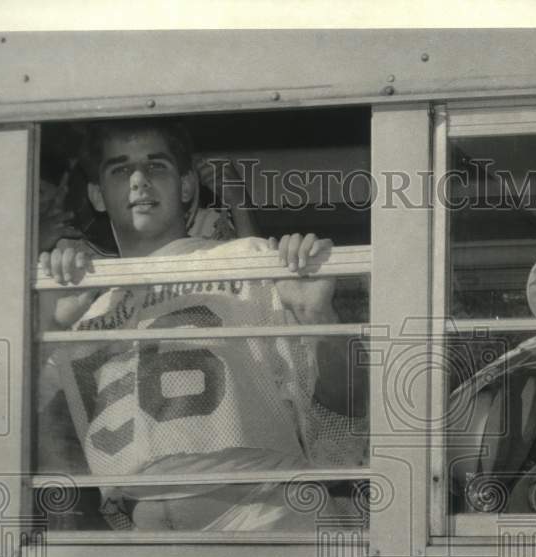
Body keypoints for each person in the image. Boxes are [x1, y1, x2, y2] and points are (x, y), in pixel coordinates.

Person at [38, 118, 365, 531]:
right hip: (149, 538)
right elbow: (12, 424)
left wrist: (320, 316)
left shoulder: (248, 257)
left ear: (188, 186)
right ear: (97, 195)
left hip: (262, 514)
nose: (139, 181)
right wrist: (45, 324)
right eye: (120, 170)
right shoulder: (91, 301)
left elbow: (350, 406)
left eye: (157, 166)